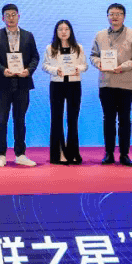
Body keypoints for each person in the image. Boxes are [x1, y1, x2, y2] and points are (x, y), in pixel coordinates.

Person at [90, 3, 132, 166]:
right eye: (111, 14)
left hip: (125, 82)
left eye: (118, 14)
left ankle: (124, 154)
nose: (114, 17)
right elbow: (93, 55)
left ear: (124, 16)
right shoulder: (100, 35)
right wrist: (99, 63)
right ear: (107, 16)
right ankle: (108, 153)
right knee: (108, 119)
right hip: (106, 82)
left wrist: (124, 67)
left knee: (124, 119)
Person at [0, 3, 40, 167]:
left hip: (22, 83)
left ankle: (20, 154)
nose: (11, 18)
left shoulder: (28, 36)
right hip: (3, 83)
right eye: (7, 15)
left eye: (13, 14)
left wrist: (28, 70)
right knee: (1, 119)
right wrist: (3, 70)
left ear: (19, 16)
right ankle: (1, 154)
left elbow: (35, 57)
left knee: (20, 119)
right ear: (3, 18)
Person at [42, 19, 88, 164]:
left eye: (66, 29)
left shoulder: (78, 47)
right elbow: (45, 66)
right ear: (56, 32)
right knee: (57, 118)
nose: (63, 32)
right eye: (60, 29)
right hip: (57, 85)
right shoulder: (50, 48)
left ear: (70, 31)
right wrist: (56, 70)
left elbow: (85, 65)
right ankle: (59, 153)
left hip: (74, 84)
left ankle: (73, 153)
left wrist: (78, 69)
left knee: (73, 119)